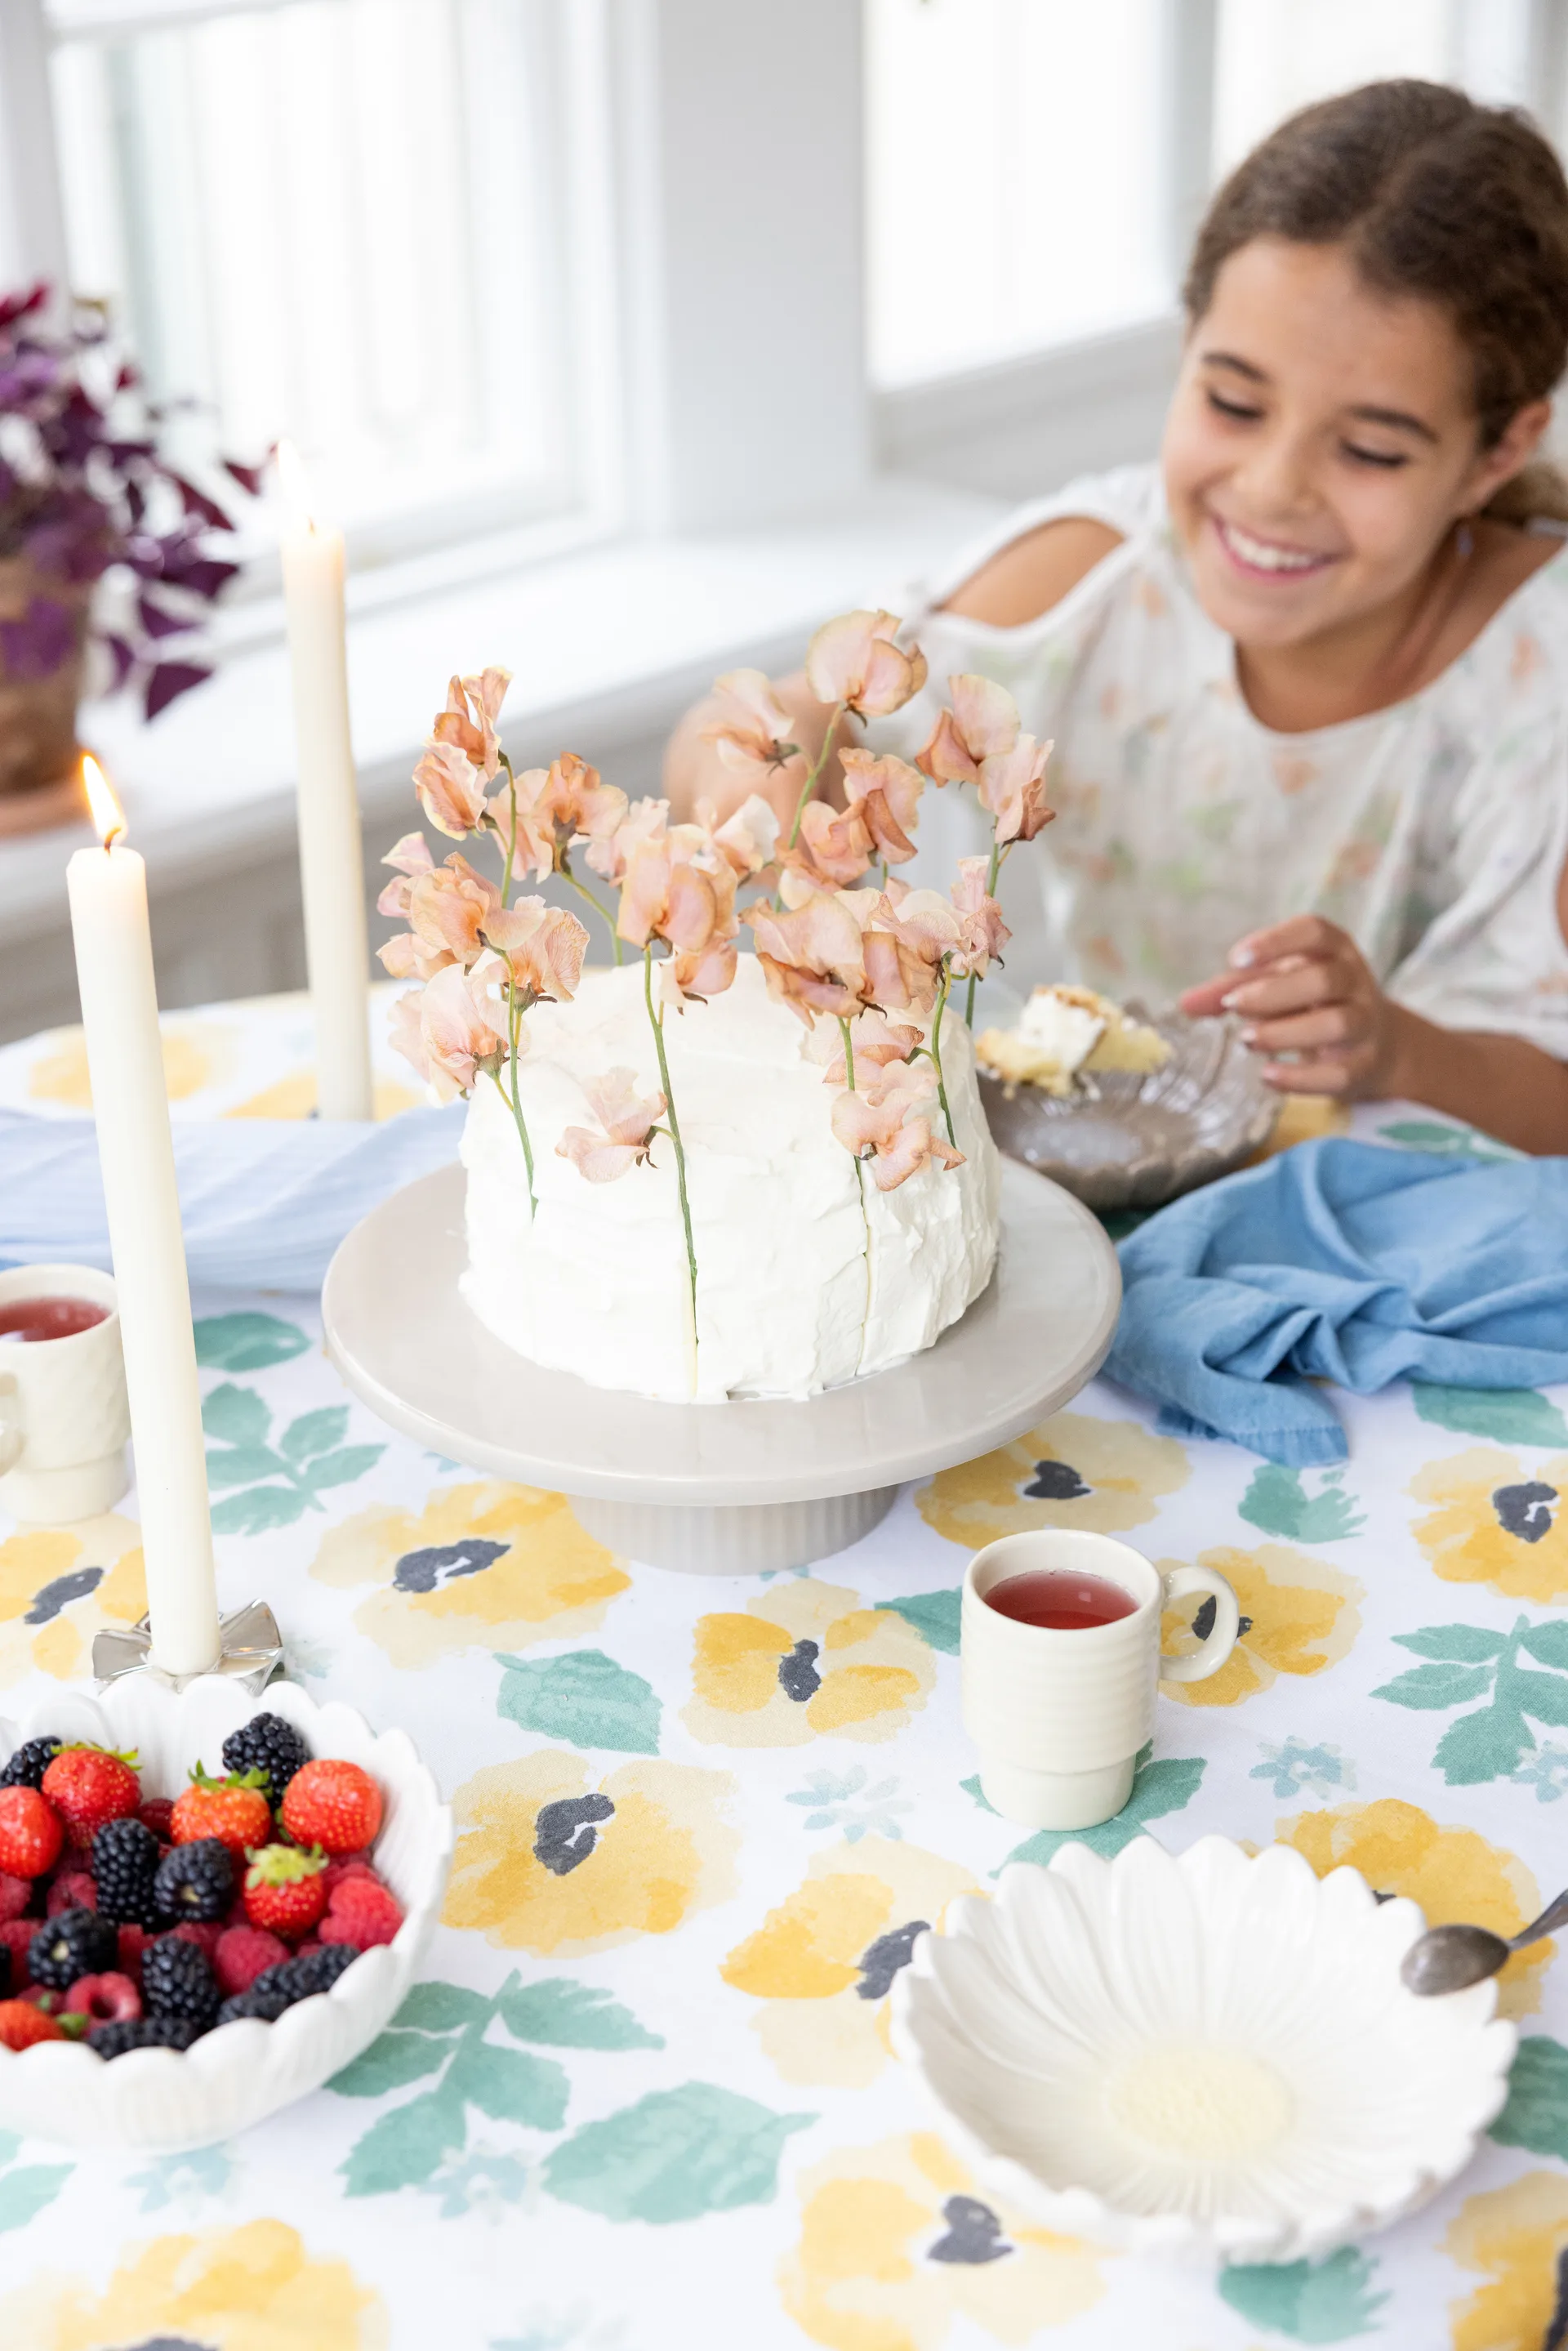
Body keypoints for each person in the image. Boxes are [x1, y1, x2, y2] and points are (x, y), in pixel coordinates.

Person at [666, 81, 1568, 1153]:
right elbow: (789, 721)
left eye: (1370, 449)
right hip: (1114, 1176)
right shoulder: (1094, 576)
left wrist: (1394, 1047)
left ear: (1500, 451)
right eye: (1233, 402)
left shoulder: (1538, 682)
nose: (1274, 487)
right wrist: (770, 764)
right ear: (1188, 345)